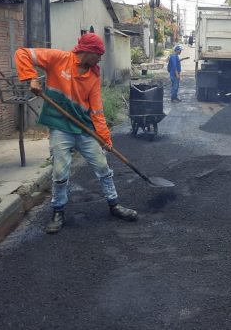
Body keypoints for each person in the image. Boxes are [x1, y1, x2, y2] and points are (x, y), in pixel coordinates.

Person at [14, 33, 138, 234]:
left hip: (84, 129)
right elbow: (22, 53)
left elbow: (97, 111)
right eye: (98, 54)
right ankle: (58, 211)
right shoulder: (58, 59)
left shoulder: (93, 77)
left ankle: (114, 204)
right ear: (87, 52)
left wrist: (105, 139)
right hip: (61, 128)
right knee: (60, 172)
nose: (99, 59)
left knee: (103, 167)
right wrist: (31, 78)